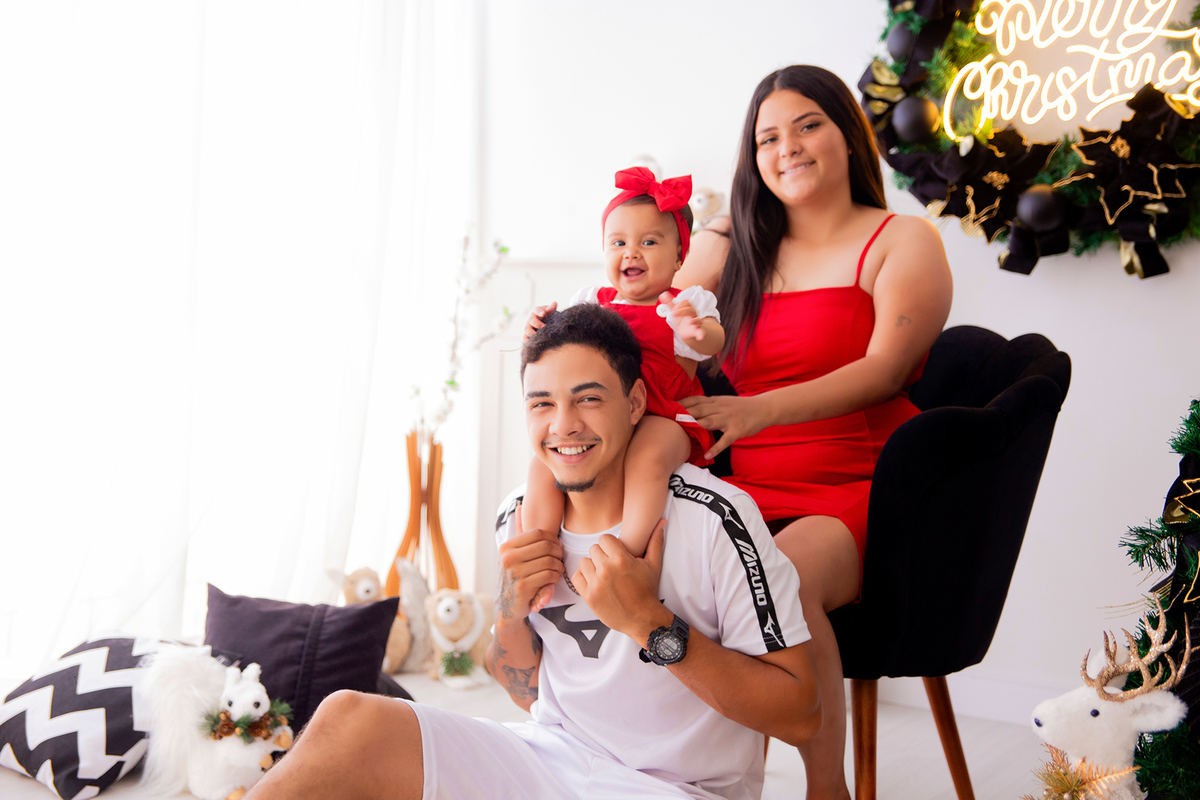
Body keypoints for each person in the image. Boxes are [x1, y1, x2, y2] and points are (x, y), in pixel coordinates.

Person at [244, 303, 819, 800]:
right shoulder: (519, 516)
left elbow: (801, 714)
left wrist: (650, 624)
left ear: (637, 401)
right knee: (349, 717)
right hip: (550, 761)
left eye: (588, 399)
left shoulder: (713, 518)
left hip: (677, 787)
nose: (563, 426)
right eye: (541, 404)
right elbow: (523, 690)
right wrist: (508, 610)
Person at [675, 65, 953, 800]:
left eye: (807, 126)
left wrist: (759, 410)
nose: (787, 148)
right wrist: (721, 222)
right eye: (767, 138)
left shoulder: (904, 239)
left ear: (848, 135)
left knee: (777, 574)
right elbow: (662, 317)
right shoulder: (743, 250)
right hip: (749, 483)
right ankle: (698, 778)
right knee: (663, 569)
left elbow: (887, 370)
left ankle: (825, 790)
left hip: (861, 483)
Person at [522, 167, 725, 599]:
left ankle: (624, 557)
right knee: (542, 466)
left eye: (649, 242)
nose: (631, 252)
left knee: (648, 462)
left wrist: (695, 332)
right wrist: (537, 325)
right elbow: (559, 346)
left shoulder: (685, 305)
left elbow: (713, 340)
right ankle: (537, 559)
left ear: (678, 257)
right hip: (602, 417)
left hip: (662, 415)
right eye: (619, 243)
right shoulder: (593, 301)